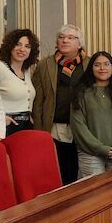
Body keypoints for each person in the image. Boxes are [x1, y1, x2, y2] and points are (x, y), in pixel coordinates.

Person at [33, 24, 89, 184]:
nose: (65, 40)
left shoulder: (90, 64)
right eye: (61, 37)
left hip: (82, 127)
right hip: (54, 127)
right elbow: (38, 101)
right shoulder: (45, 65)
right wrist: (39, 131)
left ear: (79, 43)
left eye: (70, 38)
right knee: (57, 173)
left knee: (80, 174)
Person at [71, 51, 112, 177]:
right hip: (90, 154)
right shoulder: (81, 93)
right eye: (97, 65)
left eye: (106, 64)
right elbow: (78, 126)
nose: (102, 68)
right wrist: (101, 148)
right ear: (91, 68)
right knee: (94, 189)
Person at [0, 28, 40, 136]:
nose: (22, 49)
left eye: (27, 46)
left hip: (26, 127)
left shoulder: (27, 71)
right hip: (5, 128)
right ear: (10, 46)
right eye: (18, 44)